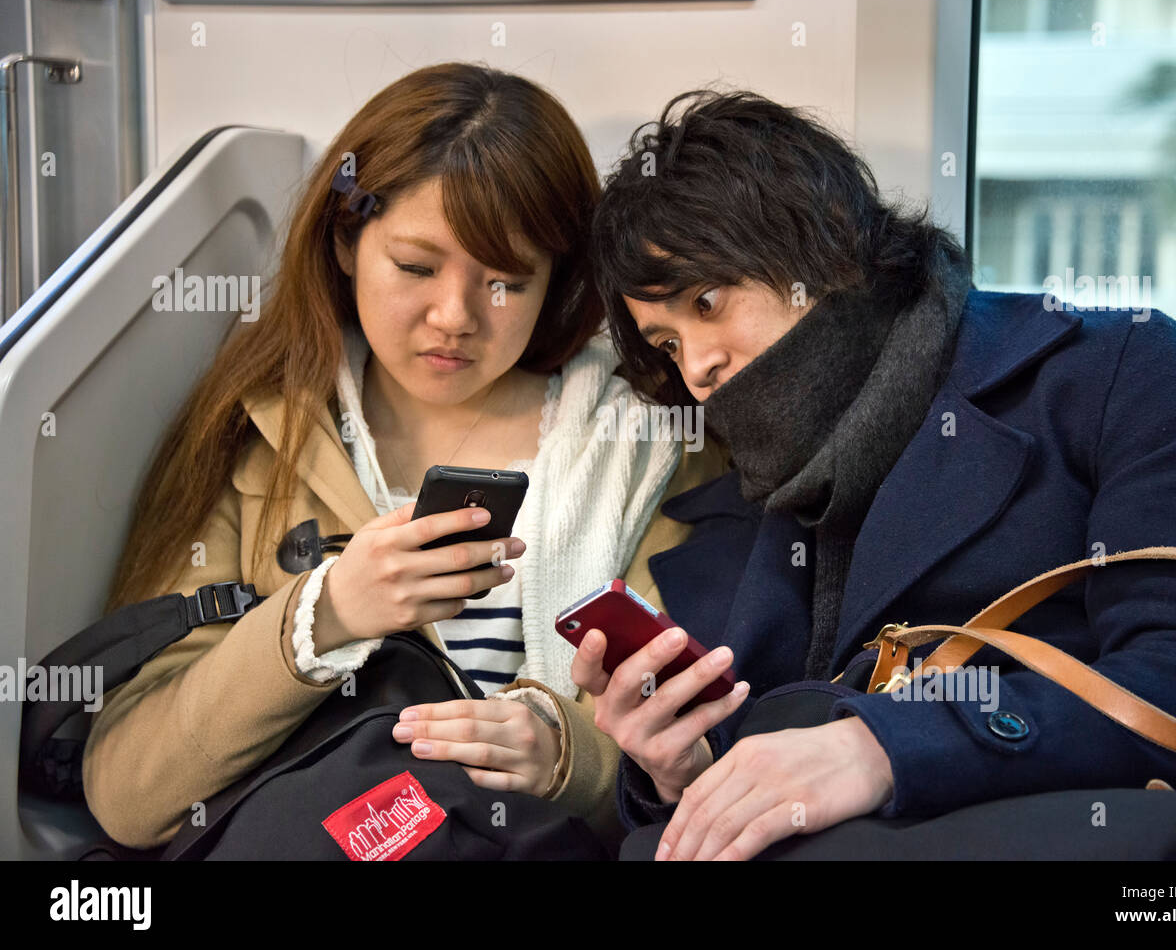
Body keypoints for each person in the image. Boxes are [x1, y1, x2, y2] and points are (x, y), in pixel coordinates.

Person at [574, 89, 1176, 860]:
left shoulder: (1117, 372)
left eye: (707, 302)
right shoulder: (742, 506)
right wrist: (681, 771)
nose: (699, 369)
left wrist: (885, 748)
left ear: (825, 249)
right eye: (667, 344)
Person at [82, 64, 725, 851]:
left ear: (557, 282)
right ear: (346, 242)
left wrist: (566, 755)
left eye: (505, 283)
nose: (453, 317)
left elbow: (701, 771)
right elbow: (126, 791)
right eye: (416, 268)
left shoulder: (647, 448)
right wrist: (322, 616)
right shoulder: (261, 433)